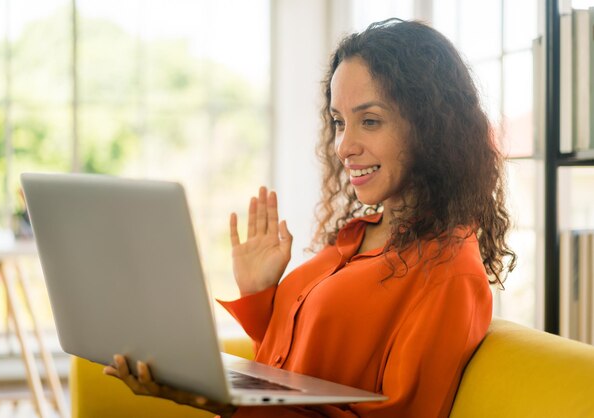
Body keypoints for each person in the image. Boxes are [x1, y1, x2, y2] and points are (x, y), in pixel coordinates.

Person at [103, 18, 516, 418]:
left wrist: (218, 401)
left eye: (369, 121)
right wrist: (261, 293)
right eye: (339, 122)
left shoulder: (447, 272)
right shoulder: (359, 236)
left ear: (431, 129)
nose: (344, 146)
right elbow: (307, 370)